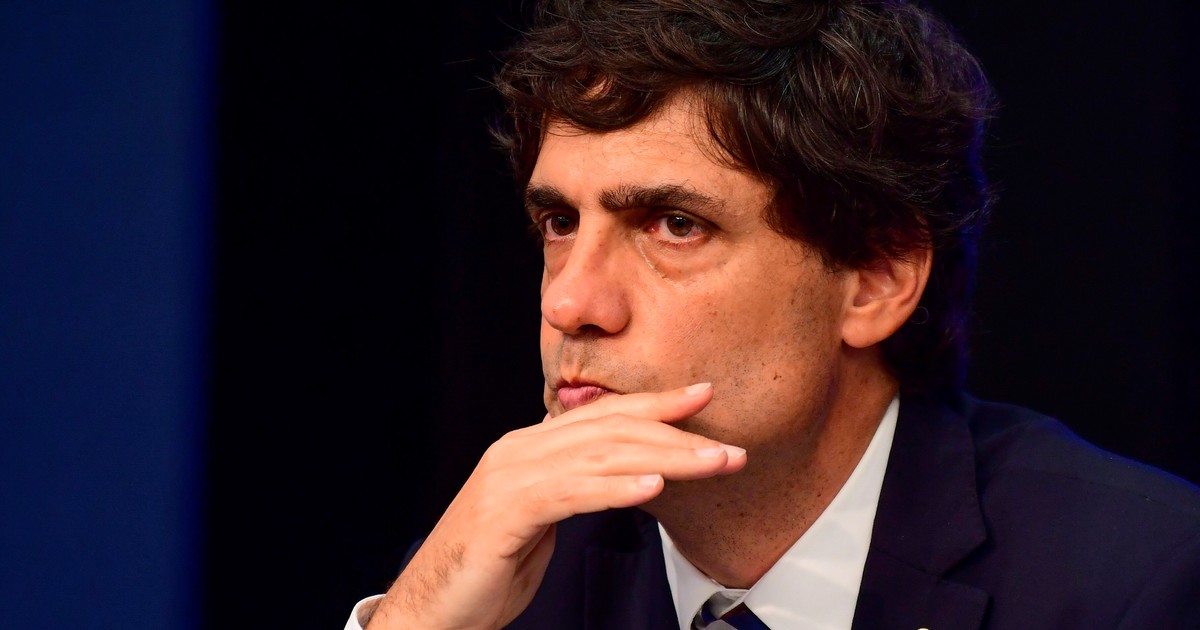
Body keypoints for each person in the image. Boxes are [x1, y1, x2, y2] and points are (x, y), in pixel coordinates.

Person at [346, 0, 1200, 628]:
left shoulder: (1138, 581)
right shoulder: (499, 577)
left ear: (875, 279)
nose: (569, 303)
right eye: (561, 223)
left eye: (675, 225)